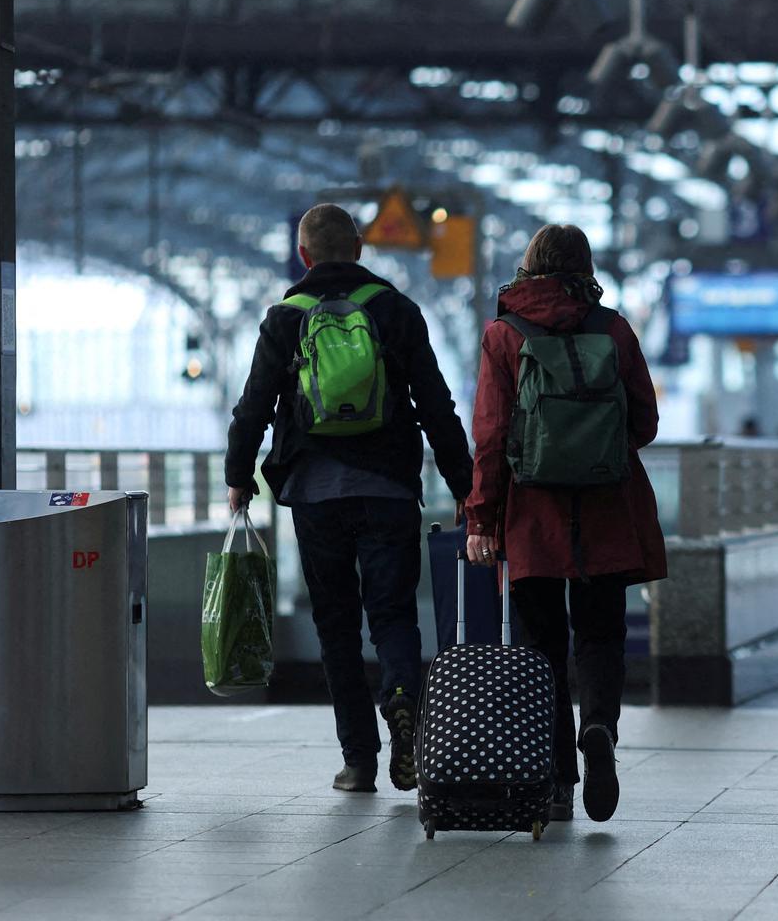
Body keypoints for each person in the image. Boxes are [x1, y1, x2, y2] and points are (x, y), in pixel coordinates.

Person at [224, 203, 473, 795]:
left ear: (305, 254)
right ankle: (404, 696)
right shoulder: (396, 311)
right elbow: (437, 405)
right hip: (387, 488)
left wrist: (240, 476)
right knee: (392, 614)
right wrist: (466, 485)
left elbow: (253, 406)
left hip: (314, 493)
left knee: (336, 625)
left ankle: (359, 760)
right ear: (359, 249)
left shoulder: (285, 318)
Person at [465, 224, 667, 824]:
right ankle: (599, 724)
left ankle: (555, 780)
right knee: (602, 633)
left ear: (529, 266)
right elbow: (646, 421)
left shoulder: (504, 333)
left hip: (532, 515)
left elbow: (492, 435)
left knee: (541, 647)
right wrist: (599, 449)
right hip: (607, 507)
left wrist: (481, 518)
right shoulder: (614, 329)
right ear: (585, 268)